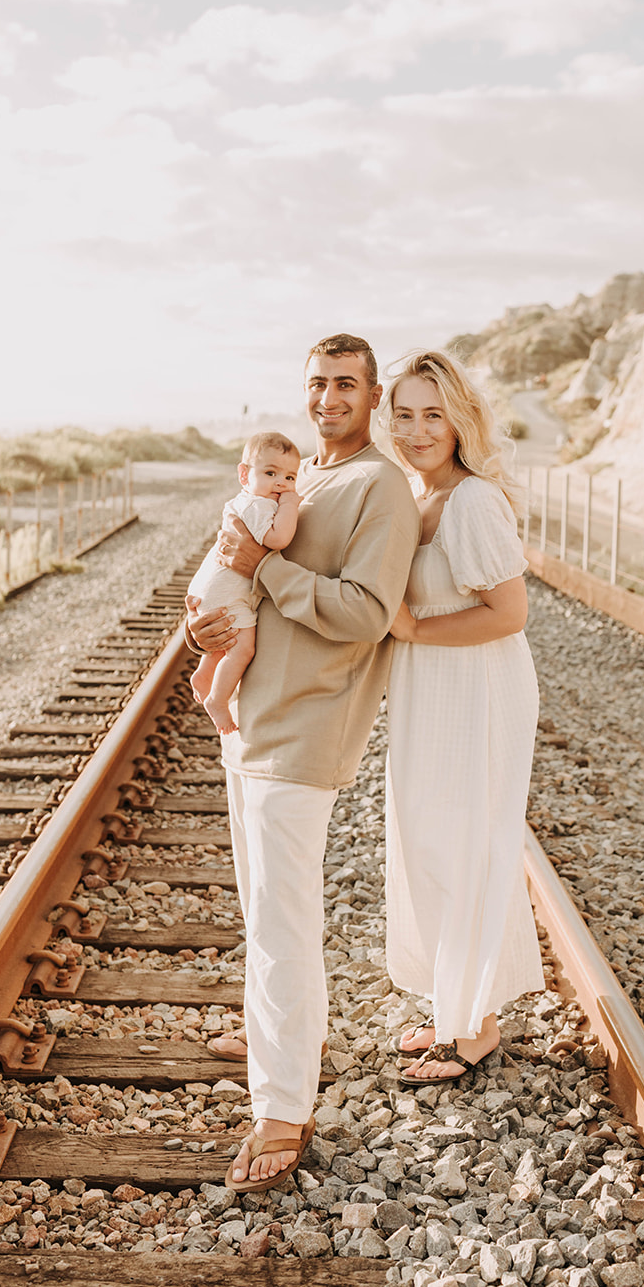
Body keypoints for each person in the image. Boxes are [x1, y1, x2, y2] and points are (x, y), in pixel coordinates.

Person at [185, 334, 419, 1189]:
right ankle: (270, 1035)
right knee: (260, 912)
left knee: (285, 926)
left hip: (306, 728)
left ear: (372, 393)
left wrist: (268, 569)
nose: (329, 398)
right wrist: (202, 626)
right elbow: (236, 576)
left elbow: (364, 613)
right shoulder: (299, 476)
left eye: (346, 385)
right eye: (318, 383)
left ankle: (283, 1106)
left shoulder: (378, 486)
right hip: (248, 720)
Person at [383, 348, 544, 1084]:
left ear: (458, 421)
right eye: (405, 415)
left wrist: (414, 630)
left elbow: (507, 614)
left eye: (433, 415)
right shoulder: (419, 496)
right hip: (432, 686)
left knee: (463, 847)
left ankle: (474, 1028)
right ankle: (456, 1008)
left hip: (473, 690)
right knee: (431, 844)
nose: (418, 431)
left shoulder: (472, 501)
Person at [186, 432, 301, 734]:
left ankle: (204, 673)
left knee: (228, 640)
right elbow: (279, 538)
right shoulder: (258, 506)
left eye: (290, 477)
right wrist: (291, 505)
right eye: (270, 473)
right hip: (227, 590)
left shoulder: (251, 500)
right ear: (243, 474)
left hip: (216, 586)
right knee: (242, 650)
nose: (281, 483)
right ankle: (218, 700)